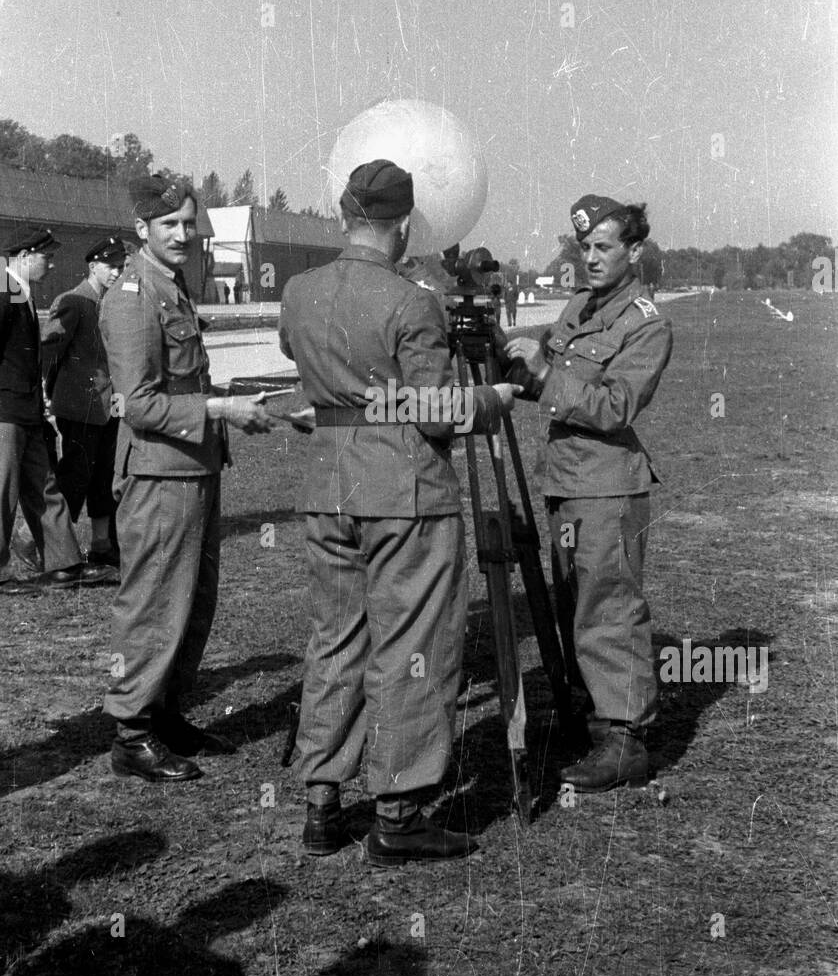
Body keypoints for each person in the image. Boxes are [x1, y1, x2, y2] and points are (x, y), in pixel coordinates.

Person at [279, 159, 520, 866]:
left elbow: (301, 357)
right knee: (412, 647)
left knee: (336, 638)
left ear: (346, 214)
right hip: (403, 491)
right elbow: (436, 413)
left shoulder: (298, 290)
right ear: (405, 223)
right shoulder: (412, 302)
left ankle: (322, 800)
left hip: (328, 487)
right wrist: (493, 399)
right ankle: (400, 811)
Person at [99, 175, 274, 784]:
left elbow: (181, 385)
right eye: (168, 224)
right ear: (141, 229)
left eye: (188, 222)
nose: (182, 234)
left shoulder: (172, 288)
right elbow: (139, 404)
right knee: (153, 601)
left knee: (193, 601)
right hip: (156, 475)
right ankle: (131, 733)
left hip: (193, 467)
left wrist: (225, 398)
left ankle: (167, 713)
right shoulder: (131, 295)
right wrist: (222, 410)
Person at [506, 194, 673, 792]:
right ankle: (592, 715)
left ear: (635, 251)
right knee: (574, 602)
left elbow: (614, 405)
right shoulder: (578, 307)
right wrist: (511, 367)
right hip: (566, 483)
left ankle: (626, 737)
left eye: (605, 247)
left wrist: (547, 373)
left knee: (608, 607)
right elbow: (545, 385)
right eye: (586, 247)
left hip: (608, 487)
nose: (593, 258)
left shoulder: (646, 323)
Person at [0, 228, 112, 595]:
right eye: (46, 257)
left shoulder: (17, 289)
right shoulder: (3, 288)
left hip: (26, 411)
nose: (51, 264)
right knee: (3, 490)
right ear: (24, 255)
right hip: (6, 412)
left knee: (45, 487)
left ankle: (64, 565)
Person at [41, 236, 127, 569]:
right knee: (76, 477)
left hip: (109, 409)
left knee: (105, 477)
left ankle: (103, 545)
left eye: (120, 266)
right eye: (111, 267)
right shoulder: (74, 301)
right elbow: (50, 352)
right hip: (80, 407)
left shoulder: (113, 302)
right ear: (93, 267)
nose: (117, 273)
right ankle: (34, 540)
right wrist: (46, 395)